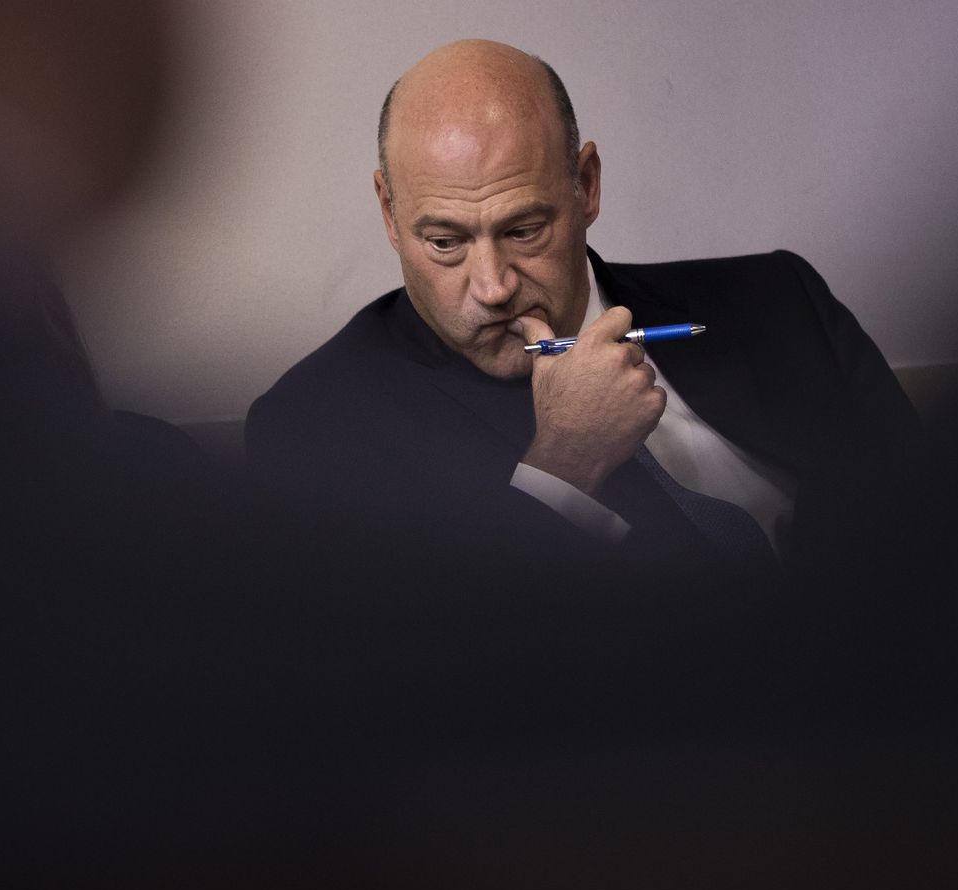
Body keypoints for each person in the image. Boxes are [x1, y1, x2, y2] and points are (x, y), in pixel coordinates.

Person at [245, 40, 923, 587]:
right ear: (391, 214)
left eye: (524, 230)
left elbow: (941, 527)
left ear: (586, 185)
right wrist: (562, 469)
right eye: (445, 242)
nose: (492, 287)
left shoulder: (779, 297)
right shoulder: (316, 427)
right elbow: (420, 683)